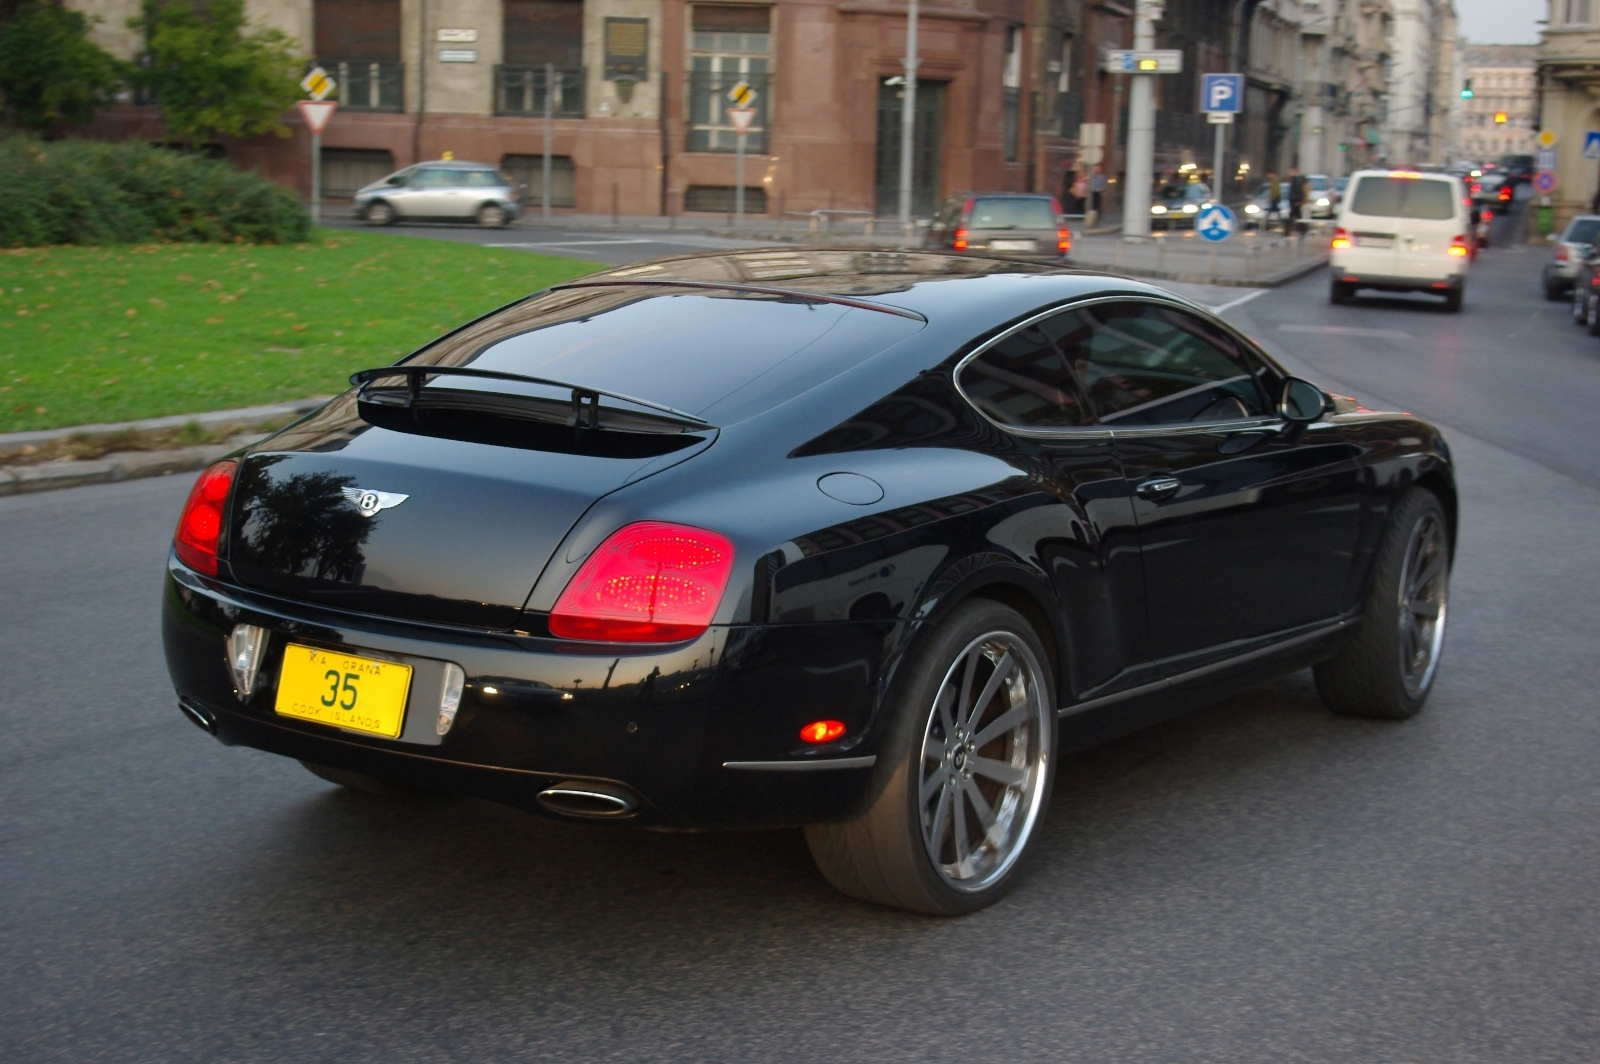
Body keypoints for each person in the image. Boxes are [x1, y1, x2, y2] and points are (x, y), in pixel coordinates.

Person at [1286, 167, 1305, 237]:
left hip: (1295, 201)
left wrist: (1298, 201)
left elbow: (1299, 192)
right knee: (1297, 216)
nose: (1290, 174)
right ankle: (1302, 230)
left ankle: (1288, 231)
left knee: (1292, 217)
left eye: (1291, 172)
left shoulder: (1297, 181)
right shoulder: (1293, 181)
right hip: (1294, 201)